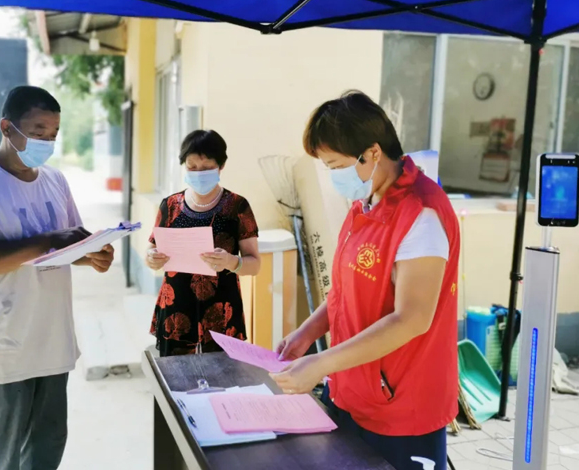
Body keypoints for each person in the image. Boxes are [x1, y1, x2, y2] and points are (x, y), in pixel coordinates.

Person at [271, 91, 459, 470]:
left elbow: (411, 319)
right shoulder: (366, 204)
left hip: (402, 408)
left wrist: (321, 363)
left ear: (372, 153)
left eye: (336, 166)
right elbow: (345, 291)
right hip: (354, 392)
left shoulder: (421, 214)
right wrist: (306, 334)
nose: (333, 177)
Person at [0, 85, 115, 470]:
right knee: (0, 457)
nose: (47, 143)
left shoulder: (55, 181)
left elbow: (66, 247)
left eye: (53, 134)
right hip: (6, 348)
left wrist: (92, 255)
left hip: (53, 341)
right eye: (38, 132)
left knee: (46, 449)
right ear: (7, 127)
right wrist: (51, 240)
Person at [146, 130, 261, 356]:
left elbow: (254, 264)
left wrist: (230, 261)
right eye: (192, 167)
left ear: (221, 165)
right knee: (175, 376)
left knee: (222, 376)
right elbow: (151, 249)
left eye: (207, 167)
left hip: (222, 312)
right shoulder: (169, 205)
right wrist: (151, 258)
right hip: (176, 311)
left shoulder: (237, 206)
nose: (199, 173)